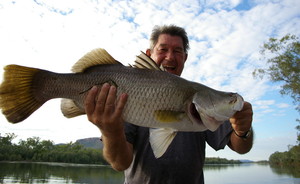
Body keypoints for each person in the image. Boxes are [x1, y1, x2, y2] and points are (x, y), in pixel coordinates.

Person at [85, 25, 253, 184]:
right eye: (163, 49)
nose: (170, 57)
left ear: (185, 58)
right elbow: (119, 164)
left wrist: (243, 130)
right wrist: (111, 132)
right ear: (149, 54)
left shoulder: (203, 102)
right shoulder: (128, 92)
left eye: (177, 51)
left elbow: (241, 148)